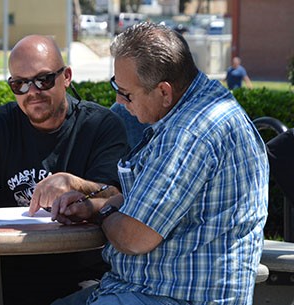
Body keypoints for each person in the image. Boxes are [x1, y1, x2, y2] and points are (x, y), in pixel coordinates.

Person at [51, 22, 269, 305]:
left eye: (126, 93)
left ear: (164, 92)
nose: (118, 101)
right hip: (156, 289)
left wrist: (103, 211)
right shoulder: (200, 105)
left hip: (170, 297)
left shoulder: (188, 133)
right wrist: (95, 206)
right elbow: (144, 207)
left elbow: (135, 236)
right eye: (115, 86)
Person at [0, 34, 129, 305]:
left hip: (78, 273)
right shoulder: (1, 124)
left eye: (43, 80)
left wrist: (74, 184)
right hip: (2, 272)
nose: (33, 92)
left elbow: (116, 197)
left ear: (66, 77)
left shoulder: (100, 126)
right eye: (20, 84)